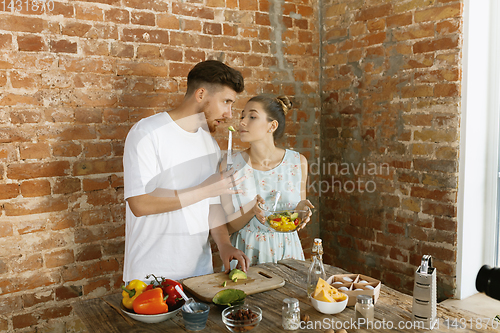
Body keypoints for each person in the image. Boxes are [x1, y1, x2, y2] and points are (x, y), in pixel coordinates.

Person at [123, 60, 250, 283]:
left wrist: (224, 245)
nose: (229, 114)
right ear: (201, 94)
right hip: (151, 276)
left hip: (199, 274)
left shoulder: (209, 144)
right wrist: (206, 189)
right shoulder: (147, 133)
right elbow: (139, 204)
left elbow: (212, 206)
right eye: (226, 102)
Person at [220, 95, 314, 266]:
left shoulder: (297, 162)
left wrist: (301, 212)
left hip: (288, 255)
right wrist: (251, 210)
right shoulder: (230, 165)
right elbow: (227, 228)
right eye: (242, 116)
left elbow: (294, 217)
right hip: (246, 255)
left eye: (252, 117)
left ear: (272, 125)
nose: (242, 122)